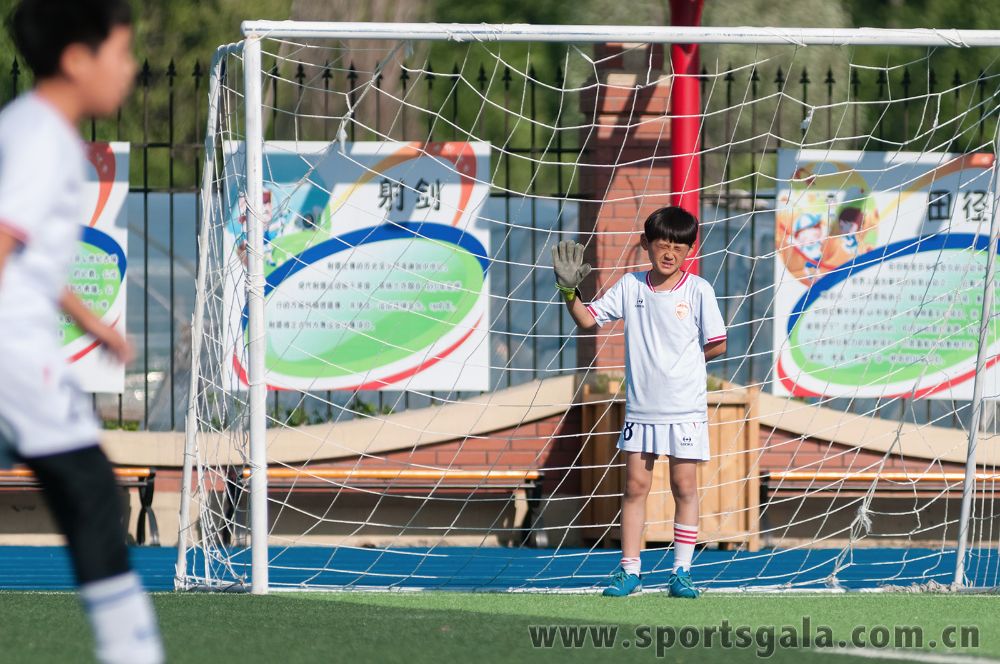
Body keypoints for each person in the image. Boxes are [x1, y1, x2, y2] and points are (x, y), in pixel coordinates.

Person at [0, 1, 164, 662]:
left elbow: (26, 252)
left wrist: (93, 323)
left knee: (91, 495)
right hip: (15, 358)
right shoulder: (44, 140)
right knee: (94, 494)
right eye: (121, 53)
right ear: (75, 59)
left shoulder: (28, 126)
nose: (130, 69)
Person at [552, 206, 726, 598]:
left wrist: (682, 362)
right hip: (642, 409)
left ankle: (681, 572)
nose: (670, 253)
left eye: (679, 247)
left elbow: (717, 343)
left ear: (690, 250)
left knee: (684, 485)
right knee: (634, 486)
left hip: (685, 408)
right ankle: (630, 571)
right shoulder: (631, 286)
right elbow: (587, 319)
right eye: (663, 244)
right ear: (646, 244)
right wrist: (568, 292)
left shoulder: (699, 290)